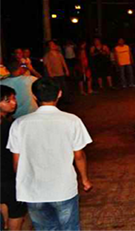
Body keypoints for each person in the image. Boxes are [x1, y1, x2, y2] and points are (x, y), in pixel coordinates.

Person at [6, 78, 93, 230]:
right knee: (69, 227)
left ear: (34, 97)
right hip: (63, 188)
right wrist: (84, 179)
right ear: (59, 94)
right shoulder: (72, 121)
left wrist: (21, 182)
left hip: (33, 190)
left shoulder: (19, 124)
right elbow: (79, 155)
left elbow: (16, 161)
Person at [0, 86, 27, 231]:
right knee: (16, 211)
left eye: (14, 99)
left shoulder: (9, 123)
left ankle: (5, 224)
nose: (13, 103)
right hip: (8, 174)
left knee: (4, 202)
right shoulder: (10, 126)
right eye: (7, 100)